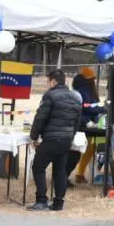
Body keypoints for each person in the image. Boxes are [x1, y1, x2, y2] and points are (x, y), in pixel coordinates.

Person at [28, 69, 82, 212]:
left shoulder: (50, 96)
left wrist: (34, 137)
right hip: (66, 140)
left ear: (53, 81)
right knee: (60, 171)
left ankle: (41, 200)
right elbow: (77, 122)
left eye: (47, 81)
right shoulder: (76, 98)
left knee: (38, 167)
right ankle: (58, 203)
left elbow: (40, 118)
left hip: (51, 138)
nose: (47, 84)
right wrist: (70, 136)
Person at [68, 68, 105, 184]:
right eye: (92, 79)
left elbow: (90, 106)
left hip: (89, 124)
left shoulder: (85, 90)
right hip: (84, 124)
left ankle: (80, 173)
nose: (94, 80)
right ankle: (78, 174)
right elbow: (86, 107)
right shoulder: (83, 91)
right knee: (82, 149)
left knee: (88, 148)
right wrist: (102, 109)